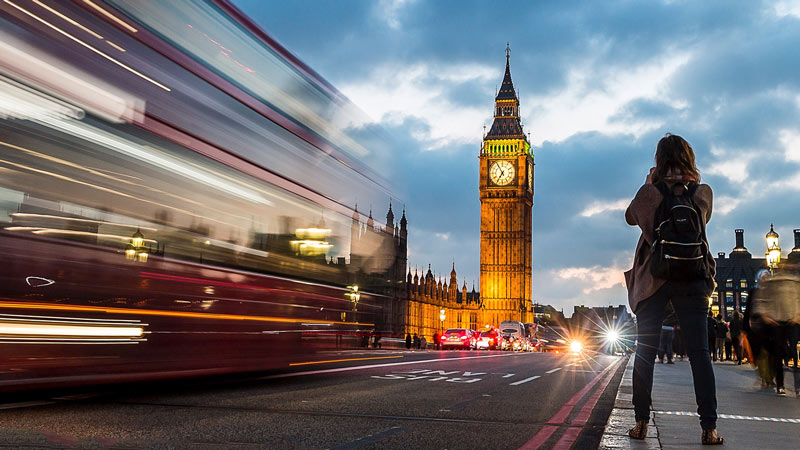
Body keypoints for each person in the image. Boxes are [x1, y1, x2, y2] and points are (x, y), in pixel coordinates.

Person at [624, 134, 723, 444]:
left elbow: (630, 217)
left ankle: (640, 423)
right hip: (692, 277)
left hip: (655, 278)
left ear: (659, 161)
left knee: (645, 353)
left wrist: (651, 184)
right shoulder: (702, 193)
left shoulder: (649, 193)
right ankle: (709, 428)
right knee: (700, 355)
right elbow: (703, 219)